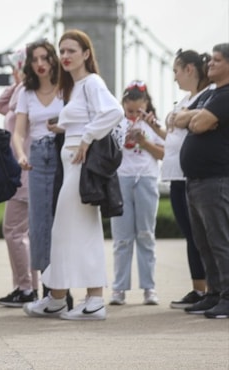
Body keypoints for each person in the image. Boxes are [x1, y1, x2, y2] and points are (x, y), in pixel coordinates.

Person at [23, 29, 123, 321]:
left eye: (71, 51)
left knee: (72, 231)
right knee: (69, 232)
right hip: (71, 163)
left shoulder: (91, 82)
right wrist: (64, 128)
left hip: (81, 167)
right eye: (62, 51)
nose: (65, 56)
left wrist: (88, 137)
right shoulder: (76, 86)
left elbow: (114, 112)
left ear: (86, 54)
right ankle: (60, 297)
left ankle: (90, 300)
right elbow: (86, 118)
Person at [10, 40, 65, 304]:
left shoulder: (67, 88)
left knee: (66, 224)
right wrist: (21, 154)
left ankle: (64, 290)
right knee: (40, 225)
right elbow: (19, 132)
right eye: (35, 60)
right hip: (38, 158)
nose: (41, 64)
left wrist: (63, 128)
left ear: (53, 59)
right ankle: (48, 291)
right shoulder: (26, 92)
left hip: (65, 155)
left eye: (45, 58)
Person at [178, 42, 229, 319]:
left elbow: (195, 124)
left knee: (220, 241)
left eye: (217, 61)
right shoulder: (212, 96)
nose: (210, 64)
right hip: (197, 180)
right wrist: (194, 116)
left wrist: (192, 118)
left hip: (215, 179)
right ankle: (213, 294)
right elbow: (179, 117)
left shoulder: (226, 95)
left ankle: (227, 296)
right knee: (204, 242)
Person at [161, 49, 211, 308]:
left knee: (200, 236)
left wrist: (180, 119)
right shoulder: (187, 99)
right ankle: (199, 289)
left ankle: (210, 290)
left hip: (190, 175)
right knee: (191, 236)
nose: (174, 77)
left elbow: (187, 124)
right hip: (176, 176)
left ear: (189, 69)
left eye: (176, 71)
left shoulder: (206, 96)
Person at [109, 81, 165, 306]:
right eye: (129, 110)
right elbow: (108, 153)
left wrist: (144, 141)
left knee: (145, 235)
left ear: (147, 105)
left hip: (147, 179)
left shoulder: (155, 125)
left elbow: (164, 154)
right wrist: (126, 139)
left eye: (138, 111)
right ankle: (119, 288)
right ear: (123, 106)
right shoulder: (116, 124)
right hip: (121, 179)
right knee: (122, 238)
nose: (133, 115)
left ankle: (149, 287)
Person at [0, 49, 37, 308]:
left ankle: (25, 287)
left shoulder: (24, 93)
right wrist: (18, 80)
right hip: (23, 169)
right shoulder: (22, 90)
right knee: (22, 232)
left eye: (15, 67)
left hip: (23, 170)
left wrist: (20, 81)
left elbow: (0, 107)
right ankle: (28, 286)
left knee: (13, 230)